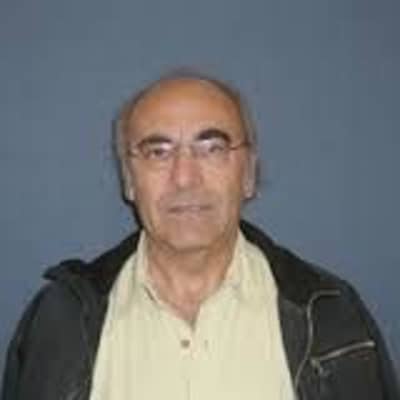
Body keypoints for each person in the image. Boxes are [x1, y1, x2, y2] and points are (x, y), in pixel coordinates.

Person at [2, 72, 399, 400]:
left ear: (248, 173)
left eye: (212, 149)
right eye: (158, 152)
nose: (184, 178)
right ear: (129, 180)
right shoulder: (58, 319)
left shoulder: (333, 314)